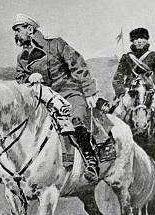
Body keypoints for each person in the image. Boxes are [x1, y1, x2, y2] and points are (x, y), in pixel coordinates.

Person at [12, 13, 101, 182]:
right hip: (45, 99)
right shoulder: (22, 57)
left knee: (76, 119)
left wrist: (89, 92)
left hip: (69, 92)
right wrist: (28, 78)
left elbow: (78, 66)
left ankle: (91, 162)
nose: (16, 35)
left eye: (18, 30)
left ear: (30, 29)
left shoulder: (56, 45)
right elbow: (20, 78)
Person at [112, 28, 155, 131]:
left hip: (150, 92)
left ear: (147, 40)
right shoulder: (126, 58)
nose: (139, 41)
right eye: (136, 38)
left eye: (142, 38)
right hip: (131, 92)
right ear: (132, 41)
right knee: (115, 116)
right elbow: (118, 77)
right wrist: (121, 90)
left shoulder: (153, 57)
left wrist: (151, 82)